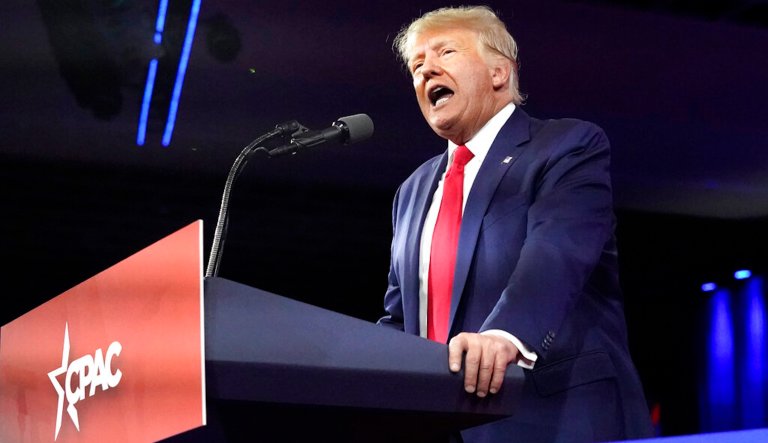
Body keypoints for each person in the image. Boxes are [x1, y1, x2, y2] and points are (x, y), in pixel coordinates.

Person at [377, 5, 654, 443]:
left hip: (549, 416)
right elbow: (399, 315)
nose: (426, 70)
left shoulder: (566, 146)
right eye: (416, 65)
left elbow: (557, 251)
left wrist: (506, 333)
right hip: (439, 423)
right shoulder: (412, 190)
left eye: (445, 52)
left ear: (499, 72)